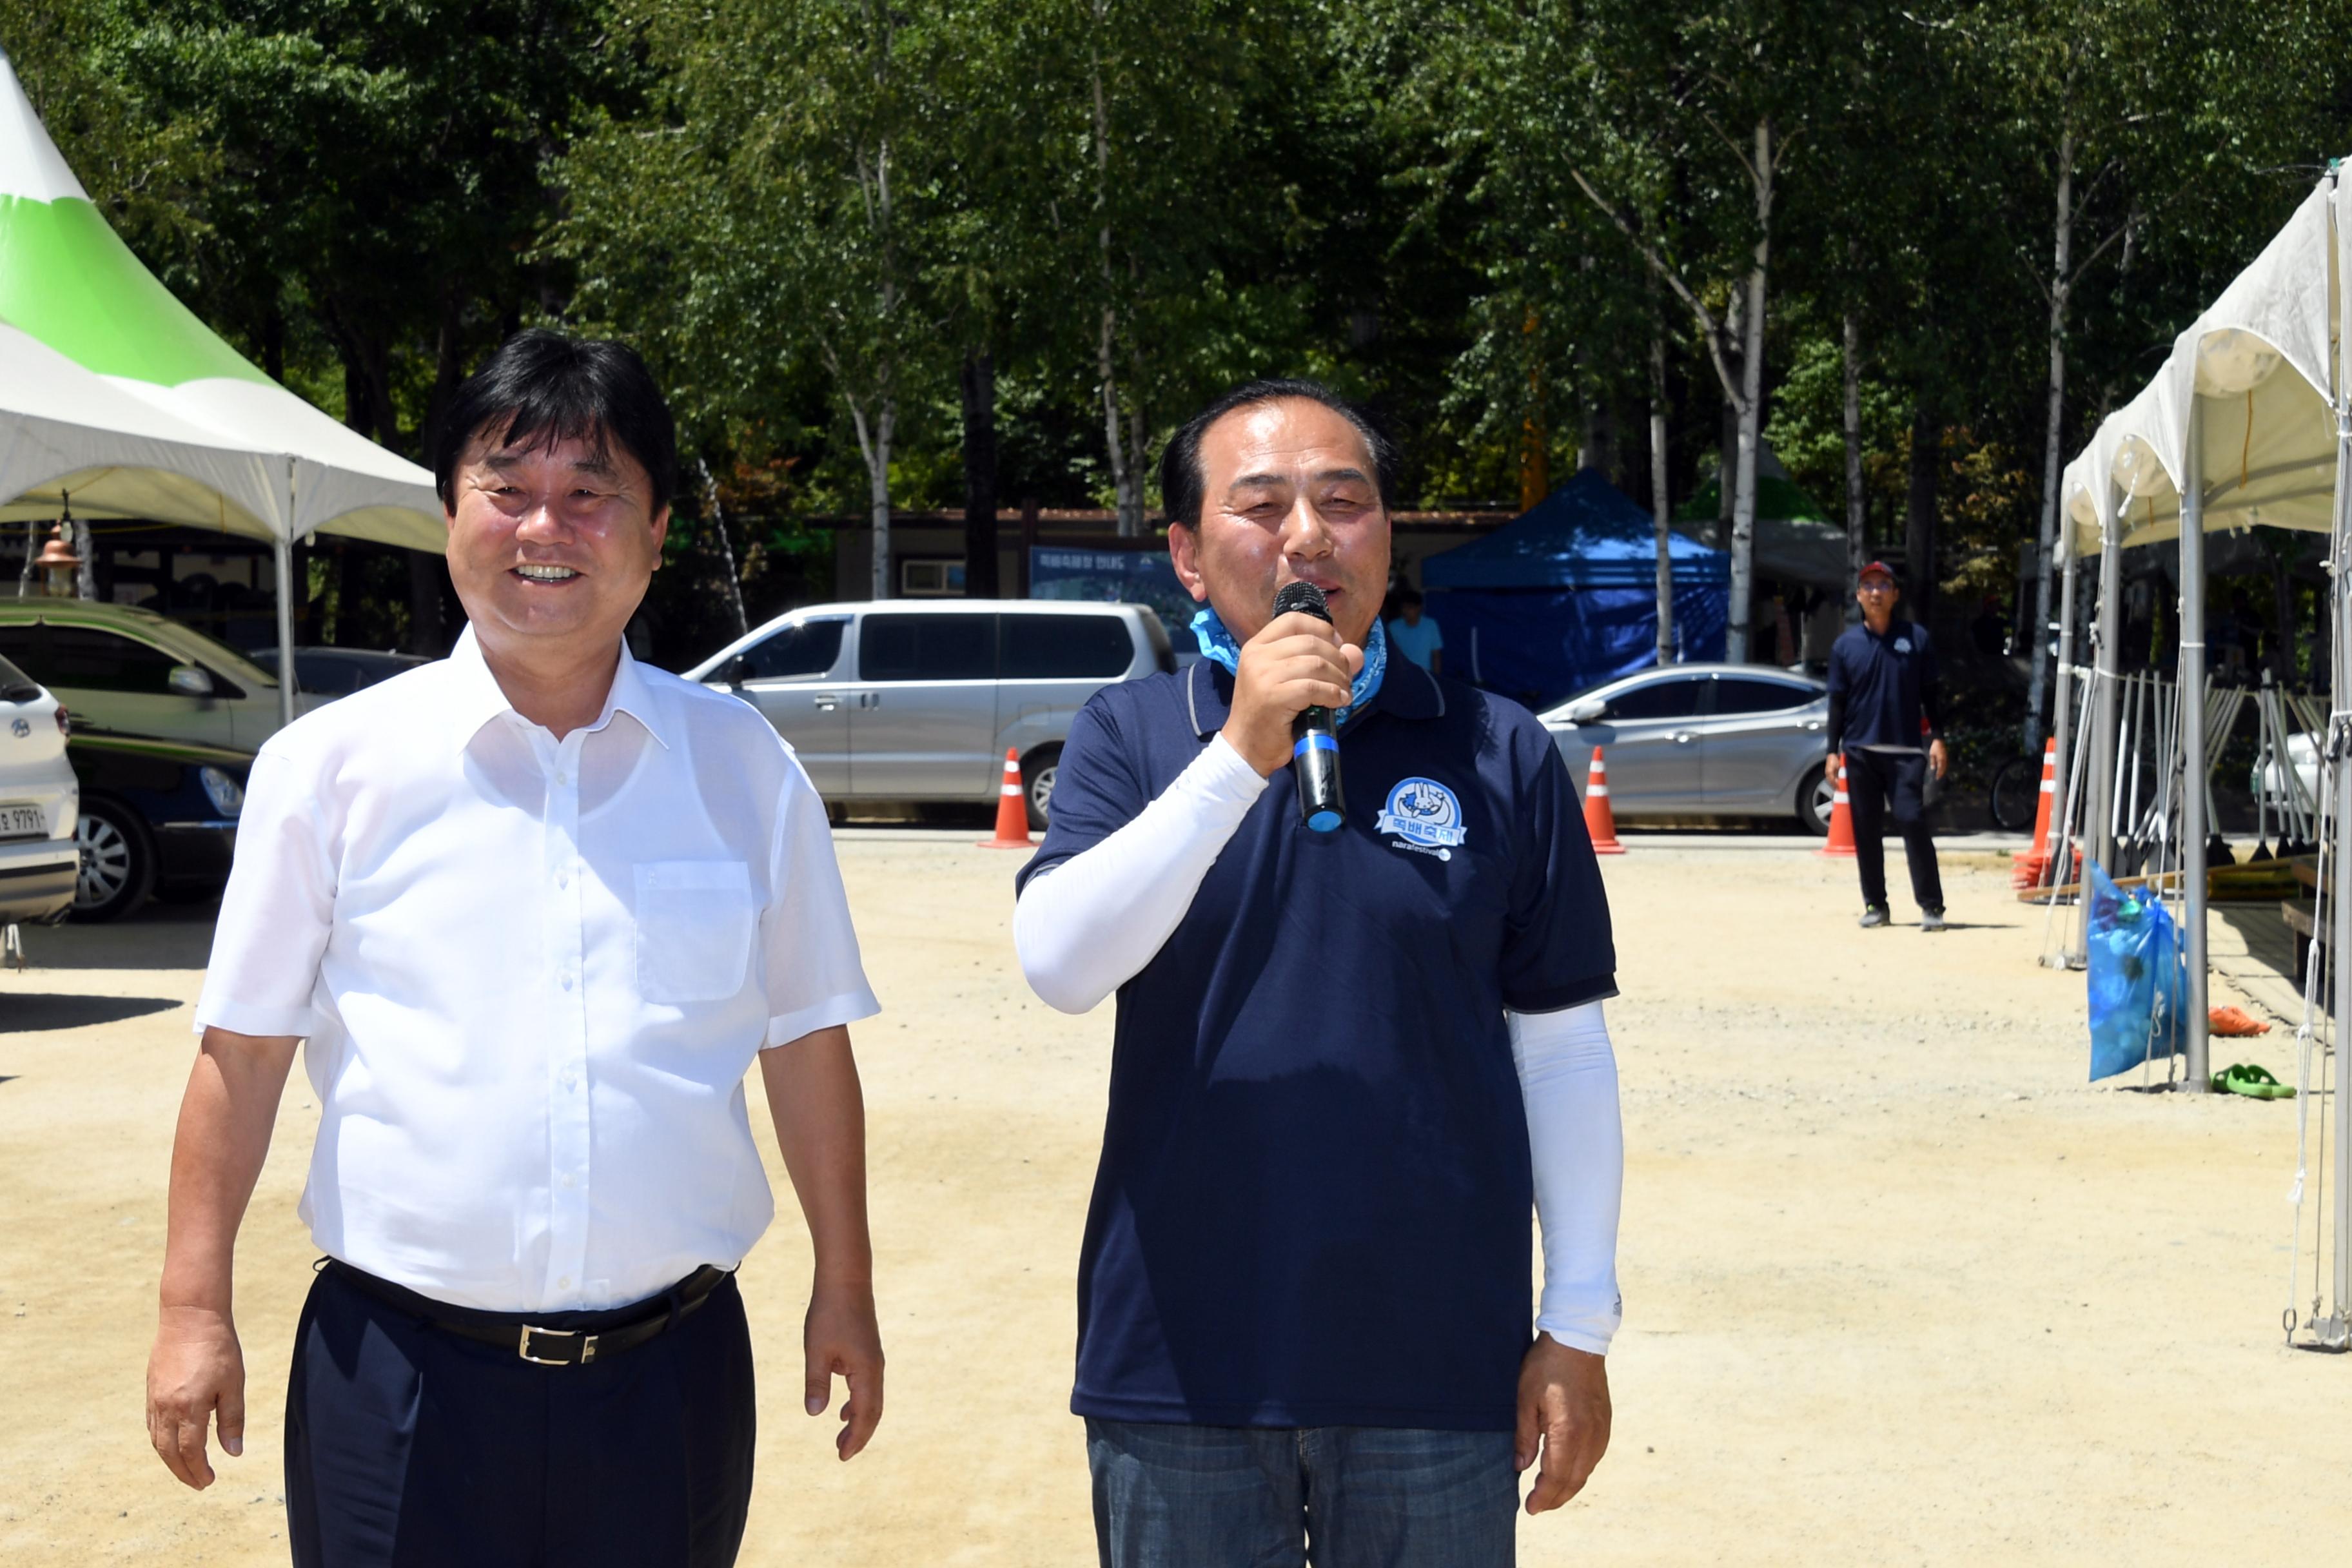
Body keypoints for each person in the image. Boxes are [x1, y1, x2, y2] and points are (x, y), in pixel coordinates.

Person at [143, 330, 886, 1568]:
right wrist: (189, 1308)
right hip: (397, 1377)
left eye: (592, 492)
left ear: (656, 534)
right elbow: (243, 1054)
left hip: (672, 1382)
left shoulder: (744, 767)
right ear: (449, 513)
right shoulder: (329, 770)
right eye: (508, 486)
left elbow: (807, 1040)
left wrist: (845, 1288)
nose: (548, 526)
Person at [1013, 378, 1623, 1565]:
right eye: (1262, 506)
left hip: (1437, 1365)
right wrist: (1242, 748)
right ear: (1188, 555)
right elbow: (1061, 964)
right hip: (1179, 1364)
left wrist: (1578, 1323)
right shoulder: (1130, 736)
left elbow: (1561, 1046)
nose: (1307, 535)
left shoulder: (1498, 746)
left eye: (1345, 502)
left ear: (1388, 537)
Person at [1825, 560, 1948, 932]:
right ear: (1859, 596)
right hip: (1861, 751)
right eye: (1869, 586)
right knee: (1865, 830)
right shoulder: (1845, 646)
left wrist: (1939, 738)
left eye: (1883, 585)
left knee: (1911, 820)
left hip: (1906, 751)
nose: (1876, 592)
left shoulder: (1916, 638)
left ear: (1895, 594)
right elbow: (1837, 701)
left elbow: (1932, 694)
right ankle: (1876, 904)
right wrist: (1833, 750)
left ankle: (1932, 906)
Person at [1386, 583, 1444, 674]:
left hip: (1425, 674)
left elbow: (1436, 654)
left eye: (1410, 608)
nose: (1405, 611)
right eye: (1403, 607)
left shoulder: (1431, 625)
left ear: (1419, 608)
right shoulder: (1393, 627)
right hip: (1402, 675)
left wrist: (1437, 678)